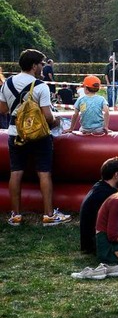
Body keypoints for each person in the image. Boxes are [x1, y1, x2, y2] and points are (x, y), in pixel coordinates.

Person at [0, 49, 70, 227]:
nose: (43, 66)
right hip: (39, 135)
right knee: (44, 172)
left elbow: (3, 110)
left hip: (15, 133)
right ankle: (48, 215)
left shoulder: (7, 83)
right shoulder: (40, 86)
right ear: (34, 66)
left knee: (16, 172)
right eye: (41, 63)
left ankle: (15, 215)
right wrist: (58, 121)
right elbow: (47, 117)